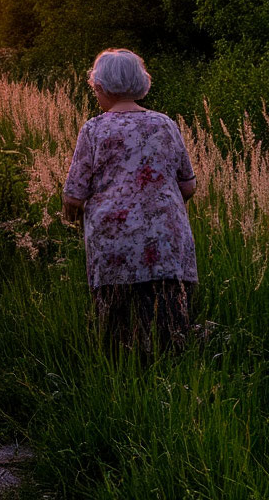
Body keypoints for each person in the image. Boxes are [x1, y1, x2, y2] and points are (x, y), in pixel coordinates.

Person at [62, 48, 198, 351]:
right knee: (169, 323)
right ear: (141, 83)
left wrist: (75, 214)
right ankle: (170, 372)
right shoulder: (166, 124)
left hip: (114, 242)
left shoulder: (94, 129)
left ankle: (120, 368)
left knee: (116, 327)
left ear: (100, 87)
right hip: (166, 239)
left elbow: (73, 195)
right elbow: (188, 186)